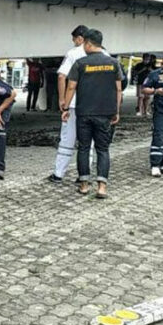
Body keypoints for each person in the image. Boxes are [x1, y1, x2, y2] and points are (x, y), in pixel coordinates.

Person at [61, 29, 123, 199]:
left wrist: (65, 108)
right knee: (103, 149)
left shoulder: (80, 64)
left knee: (84, 148)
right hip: (105, 113)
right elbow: (118, 89)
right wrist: (116, 111)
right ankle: (102, 187)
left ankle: (84, 185)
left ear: (88, 43)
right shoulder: (113, 63)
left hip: (84, 113)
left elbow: (71, 86)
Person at [49, 24, 106, 183]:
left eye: (75, 40)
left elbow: (62, 77)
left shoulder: (74, 53)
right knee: (89, 142)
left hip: (75, 104)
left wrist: (62, 101)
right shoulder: (106, 55)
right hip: (97, 105)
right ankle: (84, 176)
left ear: (82, 39)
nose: (74, 43)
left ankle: (59, 174)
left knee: (67, 140)